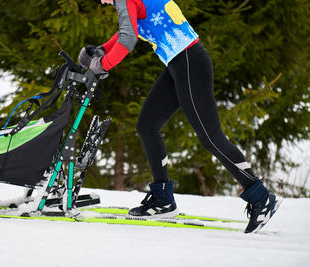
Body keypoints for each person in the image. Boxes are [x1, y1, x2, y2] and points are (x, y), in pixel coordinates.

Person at [78, 0, 281, 233]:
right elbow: (130, 29)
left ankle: (261, 197)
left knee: (211, 137)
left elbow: (128, 40)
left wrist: (102, 65)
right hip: (178, 63)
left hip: (188, 63)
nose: (102, 1)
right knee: (147, 126)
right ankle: (163, 199)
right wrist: (100, 49)